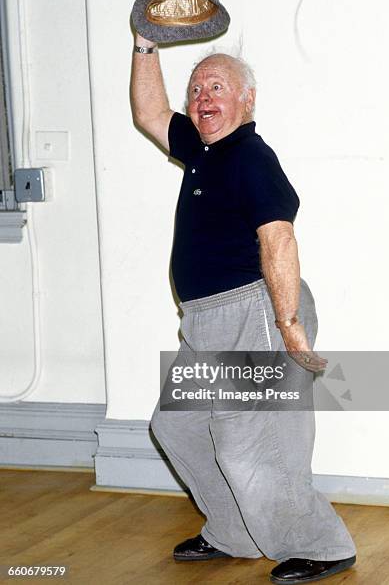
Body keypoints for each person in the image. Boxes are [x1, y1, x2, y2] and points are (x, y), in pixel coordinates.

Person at [130, 29, 357, 583]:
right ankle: (234, 531)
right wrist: (144, 44)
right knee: (179, 428)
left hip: (252, 311)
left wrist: (288, 325)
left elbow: (278, 239)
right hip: (206, 321)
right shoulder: (203, 151)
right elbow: (149, 112)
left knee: (254, 442)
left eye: (217, 86)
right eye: (196, 89)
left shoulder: (249, 157)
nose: (203, 98)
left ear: (246, 100)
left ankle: (320, 543)